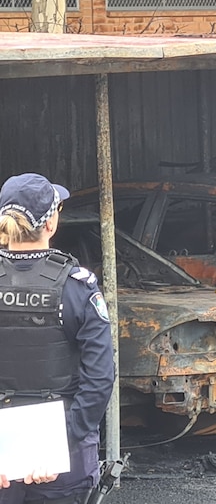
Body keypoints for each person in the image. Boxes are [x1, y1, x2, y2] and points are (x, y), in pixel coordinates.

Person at [0, 173, 114, 504]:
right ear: (51, 223)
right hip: (64, 458)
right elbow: (100, 378)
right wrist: (56, 445)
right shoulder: (78, 287)